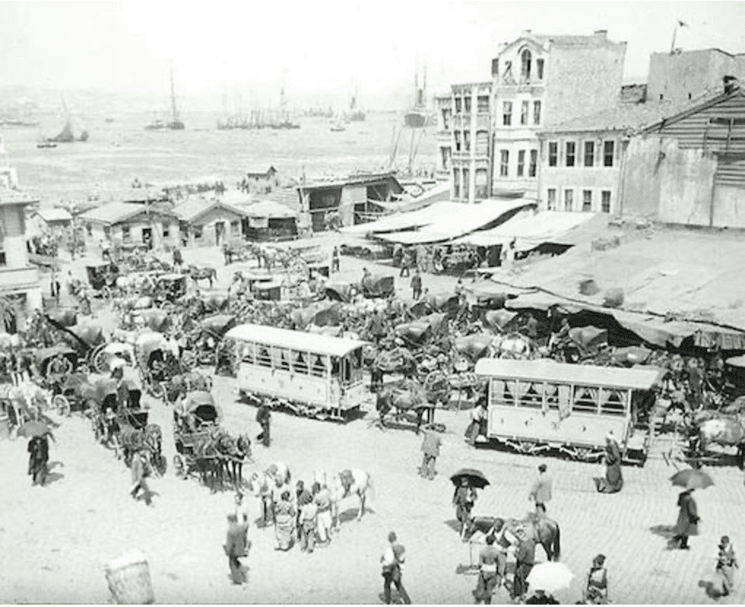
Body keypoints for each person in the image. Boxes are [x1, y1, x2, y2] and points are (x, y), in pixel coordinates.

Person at [380, 531, 411, 605]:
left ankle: (388, 602)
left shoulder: (388, 549)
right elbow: (402, 559)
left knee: (387, 586)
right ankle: (407, 601)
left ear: (389, 539)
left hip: (389, 570)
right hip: (397, 570)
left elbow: (383, 560)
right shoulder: (401, 547)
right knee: (399, 585)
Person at [474, 534, 501, 604]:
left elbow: (480, 563)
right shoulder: (497, 551)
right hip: (492, 570)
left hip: (484, 569)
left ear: (486, 541)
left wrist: (478, 568)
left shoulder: (482, 551)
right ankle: (488, 603)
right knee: (490, 589)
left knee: (481, 587)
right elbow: (499, 563)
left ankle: (477, 601)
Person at [224, 513, 249, 585]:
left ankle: (237, 579)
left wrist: (227, 551)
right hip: (241, 549)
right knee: (236, 562)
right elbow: (245, 538)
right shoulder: (241, 528)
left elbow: (230, 543)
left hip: (234, 550)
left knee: (232, 563)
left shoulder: (230, 531)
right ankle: (241, 571)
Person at [512, 527, 536, 602]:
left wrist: (515, 552)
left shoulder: (524, 545)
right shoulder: (532, 543)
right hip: (530, 565)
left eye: (518, 537)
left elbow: (520, 558)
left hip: (523, 566)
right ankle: (524, 594)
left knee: (519, 580)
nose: (518, 539)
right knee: (526, 582)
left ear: (521, 535)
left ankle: (519, 597)